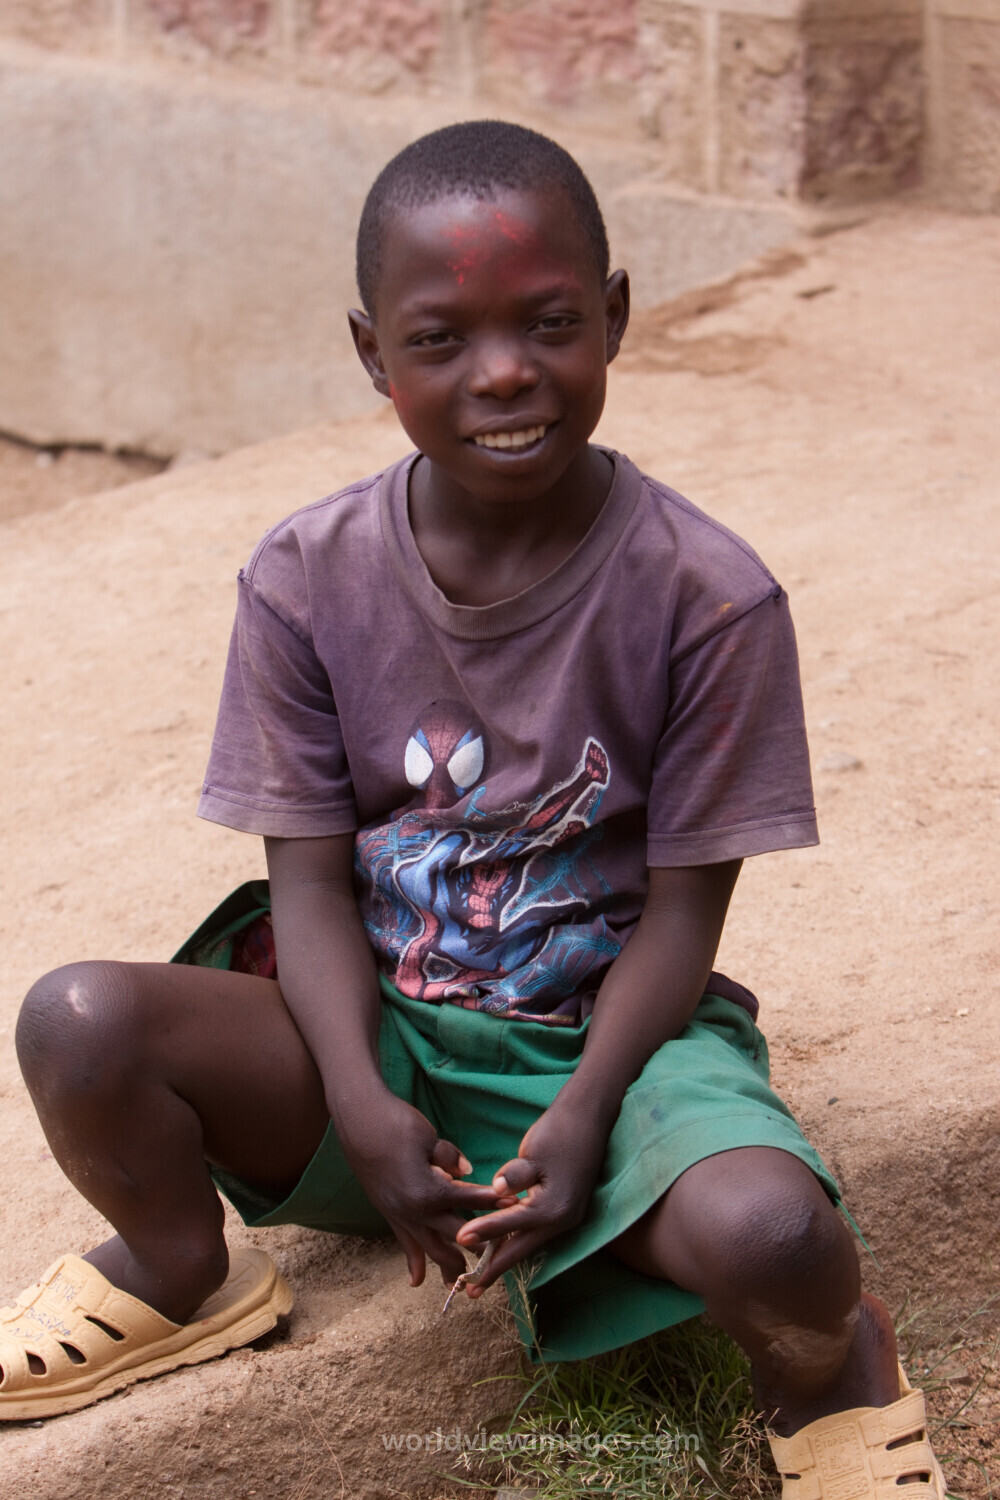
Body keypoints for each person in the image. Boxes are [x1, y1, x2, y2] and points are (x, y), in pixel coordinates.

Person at [2, 120, 944, 1497]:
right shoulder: (307, 576)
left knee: (778, 1245)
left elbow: (685, 914)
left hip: (615, 1050)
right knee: (75, 1024)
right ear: (372, 355)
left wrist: (582, 1116)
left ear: (615, 317)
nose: (505, 372)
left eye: (550, 322)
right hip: (377, 1029)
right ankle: (180, 1266)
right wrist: (362, 1101)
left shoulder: (706, 597)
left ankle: (833, 1374)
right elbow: (310, 884)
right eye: (440, 340)